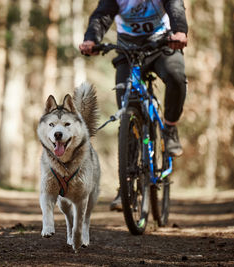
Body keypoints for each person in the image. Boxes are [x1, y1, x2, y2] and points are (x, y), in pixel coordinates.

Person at [79, 0, 188, 211]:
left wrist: (180, 32)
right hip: (128, 50)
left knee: (176, 78)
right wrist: (91, 39)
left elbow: (175, 7)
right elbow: (102, 16)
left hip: (162, 46)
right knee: (126, 113)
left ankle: (170, 127)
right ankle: (126, 188)